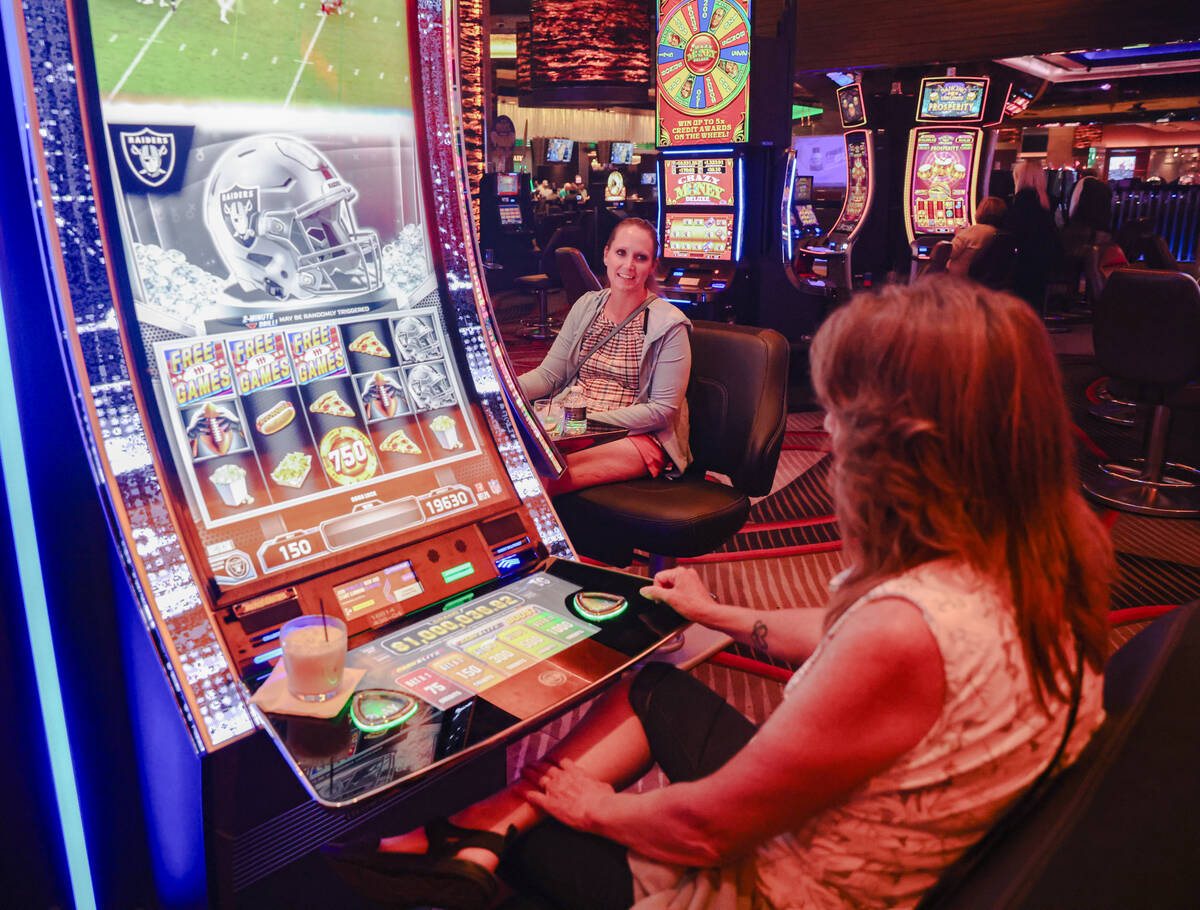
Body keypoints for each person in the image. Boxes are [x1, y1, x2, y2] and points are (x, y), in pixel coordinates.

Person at [326, 279, 1113, 910]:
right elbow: (845, 635)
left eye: (841, 416)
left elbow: (703, 830)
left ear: (905, 450)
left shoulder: (904, 631)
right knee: (651, 686)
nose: (830, 438)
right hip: (888, 823)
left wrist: (593, 807)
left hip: (791, 884)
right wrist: (718, 615)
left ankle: (476, 841)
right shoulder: (1044, 546)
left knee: (542, 817)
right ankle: (480, 834)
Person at [516, 218, 691, 495]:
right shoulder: (587, 305)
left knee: (540, 478)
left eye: (641, 257)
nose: (628, 266)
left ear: (652, 266)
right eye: (621, 253)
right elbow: (549, 375)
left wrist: (585, 423)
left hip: (634, 435)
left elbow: (662, 411)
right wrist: (505, 391)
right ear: (606, 254)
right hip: (572, 425)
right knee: (508, 461)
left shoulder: (669, 324)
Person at [1002, 159, 1059, 310]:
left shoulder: (1022, 200)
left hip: (1025, 258)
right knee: (1036, 301)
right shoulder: (1048, 200)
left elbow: (1011, 232)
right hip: (1047, 257)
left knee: (1023, 301)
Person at [946, 195, 1007, 276]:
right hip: (978, 280)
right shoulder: (996, 232)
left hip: (956, 278)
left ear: (981, 211)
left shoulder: (973, 231)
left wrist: (958, 234)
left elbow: (950, 253)